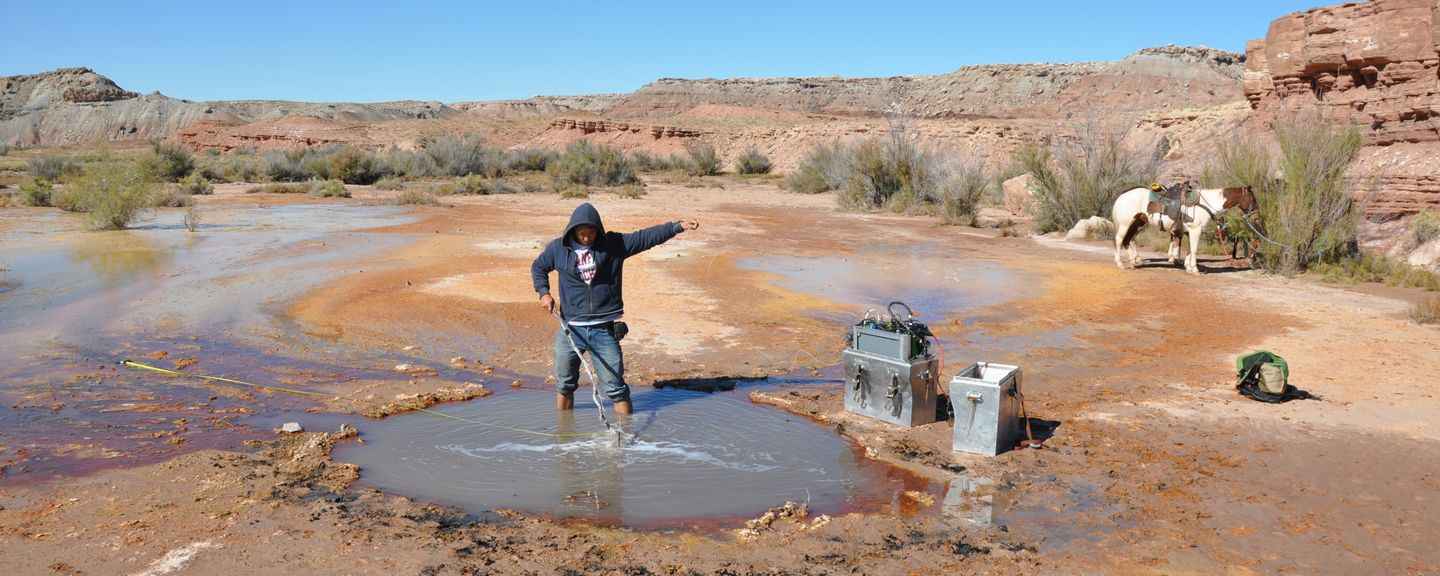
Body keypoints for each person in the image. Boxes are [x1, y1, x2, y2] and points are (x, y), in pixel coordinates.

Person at [531, 202, 699, 414]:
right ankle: (564, 435)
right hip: (570, 329)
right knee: (564, 385)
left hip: (604, 330)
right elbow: (538, 267)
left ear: (597, 229)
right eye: (582, 233)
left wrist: (676, 226)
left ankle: (626, 439)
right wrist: (543, 292)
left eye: (591, 233)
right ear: (573, 230)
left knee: (617, 389)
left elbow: (645, 238)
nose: (586, 238)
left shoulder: (613, 244)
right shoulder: (558, 248)